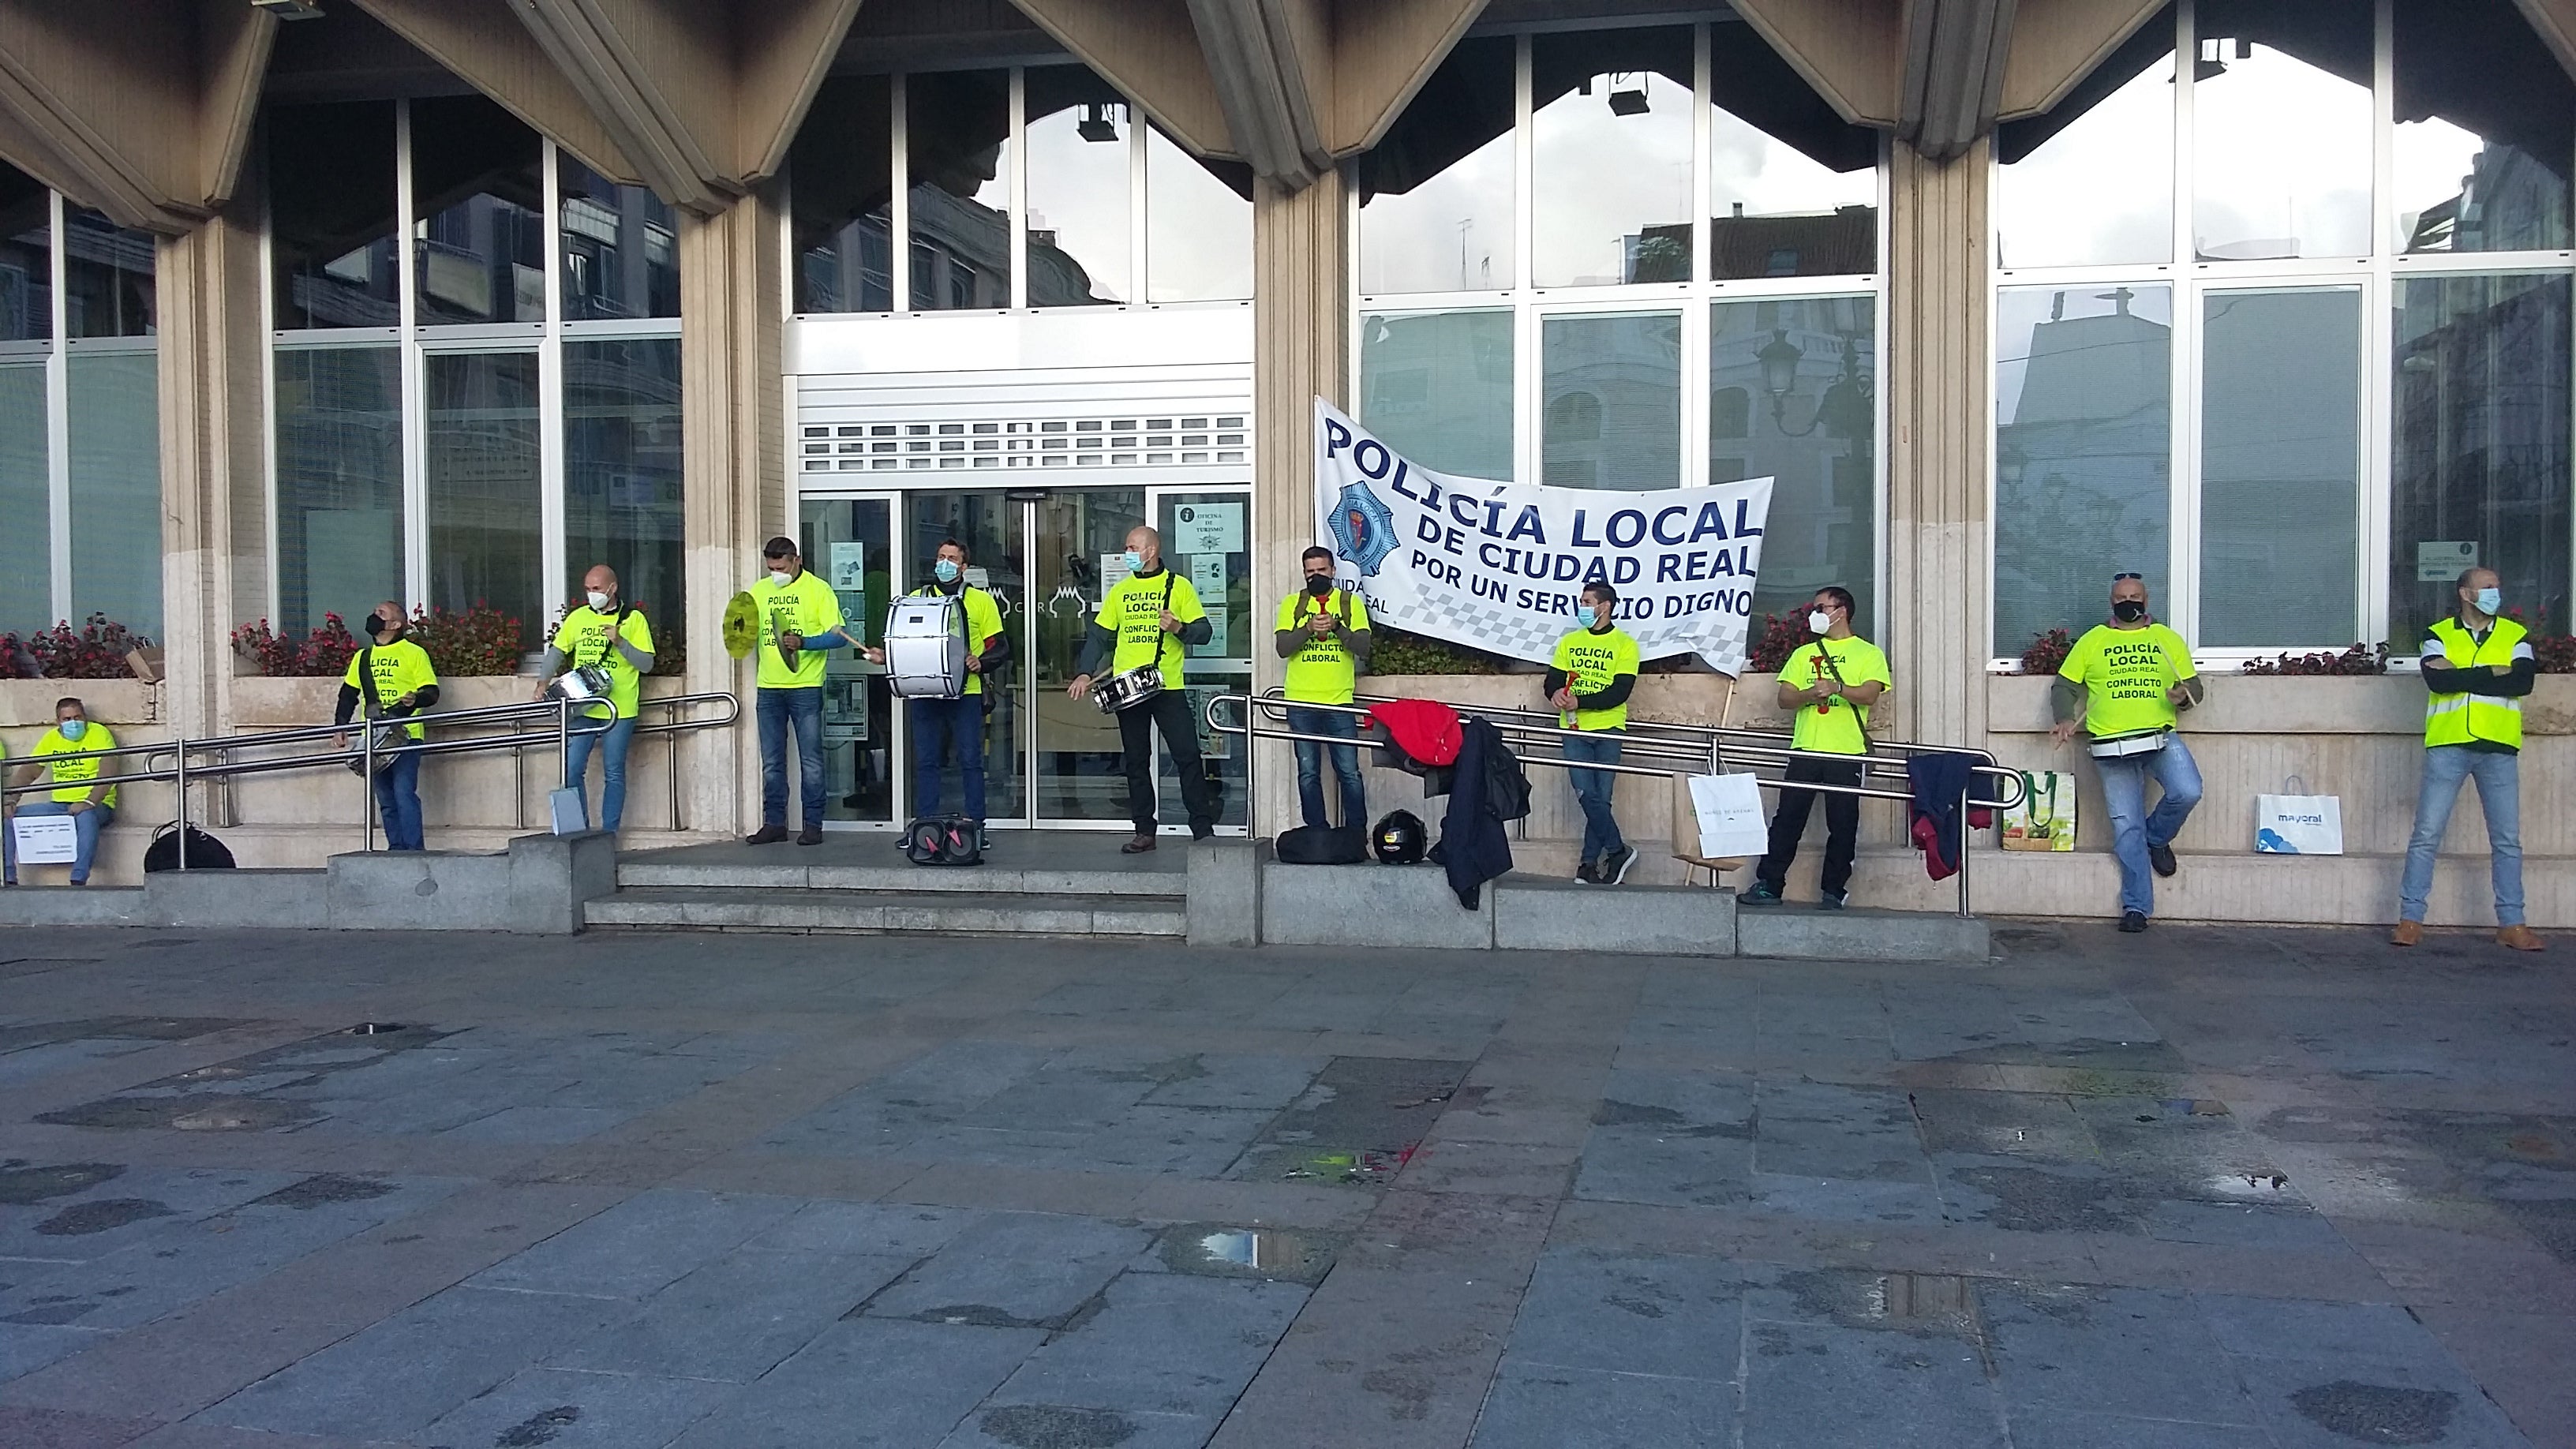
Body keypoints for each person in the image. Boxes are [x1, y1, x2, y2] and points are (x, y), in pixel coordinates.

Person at [2394, 567, 2543, 952]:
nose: (2496, 592)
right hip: (2449, 744)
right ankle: (2411, 919)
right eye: (2488, 587)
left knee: (2507, 839)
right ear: (2465, 593)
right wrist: (2493, 671)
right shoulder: (2438, 634)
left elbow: (2522, 682)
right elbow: (2438, 681)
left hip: (2498, 747)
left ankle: (2512, 923)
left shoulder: (2516, 635)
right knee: (2426, 834)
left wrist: (2465, 674)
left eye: (2497, 585)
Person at [2050, 573, 2203, 933]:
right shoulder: (2093, 641)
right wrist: (2063, 718)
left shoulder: (2166, 639)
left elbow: (2194, 686)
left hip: (2160, 737)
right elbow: (2065, 685)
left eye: (2135, 596)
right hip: (2110, 744)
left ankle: (2157, 838)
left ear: (2146, 601)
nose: (2128, 602)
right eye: (2121, 597)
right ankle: (2137, 907)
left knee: (2188, 791)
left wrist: (2184, 696)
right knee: (2126, 826)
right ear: (2112, 603)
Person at [1068, 525, 1216, 852]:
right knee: (1136, 760)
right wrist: (1083, 672)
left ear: (1151, 551)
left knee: (1187, 756)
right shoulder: (1120, 591)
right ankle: (1145, 830)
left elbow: (1204, 632)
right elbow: (1098, 636)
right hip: (1128, 687)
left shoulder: (1179, 587)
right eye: (1126, 547)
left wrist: (1179, 627)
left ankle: (1202, 830)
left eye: (1133, 548)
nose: (1128, 554)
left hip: (1168, 685)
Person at [1743, 586, 1889, 910]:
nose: (1816, 614)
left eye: (1822, 608)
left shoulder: (1868, 654)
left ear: (1842, 611)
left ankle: (1834, 890)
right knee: (1787, 820)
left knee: (1843, 824)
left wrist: (1837, 688)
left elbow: (1869, 694)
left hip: (1845, 751)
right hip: (1806, 748)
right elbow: (1785, 698)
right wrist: (1810, 694)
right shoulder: (1803, 653)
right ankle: (1770, 883)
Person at [866, 537, 1009, 835]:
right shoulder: (916, 597)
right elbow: (904, 639)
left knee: (970, 761)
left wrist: (981, 662)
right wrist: (886, 655)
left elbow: (1000, 647)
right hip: (925, 690)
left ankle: (976, 826)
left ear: (964, 567)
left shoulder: (981, 601)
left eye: (952, 559)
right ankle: (925, 828)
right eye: (941, 556)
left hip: (965, 691)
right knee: (927, 762)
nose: (944, 563)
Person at [750, 536, 856, 846]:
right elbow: (742, 629)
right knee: (771, 761)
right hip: (768, 685)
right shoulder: (759, 591)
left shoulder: (818, 590)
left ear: (797, 560)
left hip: (806, 685)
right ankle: (774, 823)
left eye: (781, 567)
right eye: (771, 568)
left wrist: (805, 643)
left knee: (810, 760)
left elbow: (838, 636)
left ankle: (813, 824)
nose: (775, 574)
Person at [539, 564, 655, 834]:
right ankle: (579, 832)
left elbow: (647, 664)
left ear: (612, 588)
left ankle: (608, 834)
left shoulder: (633, 619)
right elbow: (558, 650)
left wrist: (621, 643)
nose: (592, 594)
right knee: (571, 770)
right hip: (583, 707)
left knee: (613, 772)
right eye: (588, 589)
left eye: (597, 589)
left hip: (619, 708)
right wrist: (543, 680)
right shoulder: (579, 617)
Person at [1546, 581, 1640, 885]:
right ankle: (1617, 850)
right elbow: (1552, 681)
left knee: (1601, 798)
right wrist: (1556, 695)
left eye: (1588, 602)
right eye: (1582, 602)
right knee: (1587, 795)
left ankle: (1588, 864)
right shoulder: (1569, 642)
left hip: (1609, 729)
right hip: (1573, 730)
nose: (1583, 607)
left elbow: (1620, 692)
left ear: (1605, 606)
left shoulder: (1626, 645)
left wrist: (1580, 701)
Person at [1275, 545, 1372, 830]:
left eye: (1321, 570)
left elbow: (1364, 647)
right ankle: (1317, 833)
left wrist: (1337, 628)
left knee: (1349, 772)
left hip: (1340, 700)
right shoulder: (1292, 603)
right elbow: (1282, 648)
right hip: (1301, 700)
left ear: (1333, 571)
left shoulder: (1350, 602)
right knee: (1307, 771)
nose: (1316, 575)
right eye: (1310, 571)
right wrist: (1308, 630)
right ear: (1304, 573)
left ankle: (1356, 833)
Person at [334, 604, 440, 852]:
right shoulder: (363, 657)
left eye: (382, 614)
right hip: (373, 738)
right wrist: (340, 727)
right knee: (386, 801)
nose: (374, 616)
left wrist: (416, 699)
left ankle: (414, 851)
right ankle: (396, 849)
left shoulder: (414, 653)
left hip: (406, 736)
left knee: (404, 795)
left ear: (395, 625)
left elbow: (432, 692)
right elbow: (348, 695)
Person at [4, 697, 120, 886]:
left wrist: (89, 802)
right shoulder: (51, 738)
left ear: (85, 717)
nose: (73, 722)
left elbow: (108, 769)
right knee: (9, 817)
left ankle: (78, 879)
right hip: (60, 805)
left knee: (86, 816)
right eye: (67, 719)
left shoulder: (99, 733)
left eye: (78, 717)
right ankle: (8, 878)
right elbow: (30, 770)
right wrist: (11, 800)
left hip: (97, 805)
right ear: (58, 721)